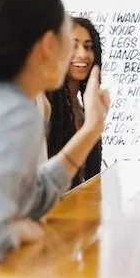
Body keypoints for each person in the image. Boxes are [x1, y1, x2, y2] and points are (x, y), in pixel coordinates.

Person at [0, 0, 109, 260]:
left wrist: (92, 129)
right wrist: (11, 234)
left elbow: (29, 198)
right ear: (50, 44)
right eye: (68, 38)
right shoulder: (19, 114)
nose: (80, 54)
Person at [47, 17, 102, 189]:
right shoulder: (45, 104)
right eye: (73, 46)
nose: (82, 54)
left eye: (88, 47)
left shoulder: (83, 107)